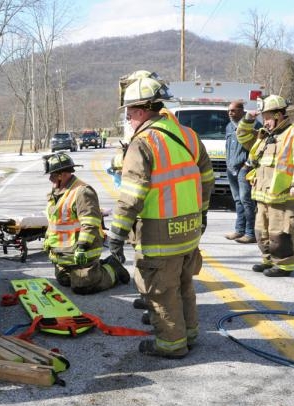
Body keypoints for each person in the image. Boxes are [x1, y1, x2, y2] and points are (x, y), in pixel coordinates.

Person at [108, 70, 213, 358]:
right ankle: (189, 334)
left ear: (141, 111)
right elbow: (207, 178)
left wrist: (116, 234)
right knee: (183, 285)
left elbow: (131, 195)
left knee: (160, 291)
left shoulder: (143, 143)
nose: (128, 119)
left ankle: (171, 344)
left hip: (159, 234)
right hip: (189, 229)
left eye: (129, 113)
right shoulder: (188, 135)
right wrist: (201, 214)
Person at [236, 94, 294, 277]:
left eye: (267, 117)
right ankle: (268, 260)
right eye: (263, 117)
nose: (265, 121)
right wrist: (248, 119)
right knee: (261, 231)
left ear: (279, 115)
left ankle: (284, 265)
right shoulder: (265, 136)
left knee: (281, 233)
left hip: (285, 196)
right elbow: (242, 137)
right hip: (263, 195)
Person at [42, 152, 130, 294]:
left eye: (52, 175)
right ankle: (96, 268)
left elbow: (90, 223)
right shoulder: (57, 192)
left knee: (82, 286)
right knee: (64, 281)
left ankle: (113, 269)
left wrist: (82, 247)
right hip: (65, 254)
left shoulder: (82, 192)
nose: (50, 179)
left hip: (82, 249)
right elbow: (55, 222)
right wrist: (48, 242)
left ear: (63, 174)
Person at [224, 100, 260, 244]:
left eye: (232, 110)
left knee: (247, 201)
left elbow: (258, 146)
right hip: (231, 169)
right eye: (229, 111)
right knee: (238, 200)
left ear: (241, 110)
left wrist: (248, 164)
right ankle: (239, 230)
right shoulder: (228, 126)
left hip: (244, 168)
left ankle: (250, 233)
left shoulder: (254, 125)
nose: (230, 113)